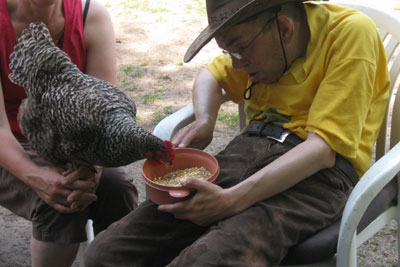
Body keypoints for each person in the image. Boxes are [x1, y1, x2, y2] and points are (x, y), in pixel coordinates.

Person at [84, 0, 390, 266]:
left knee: (209, 259)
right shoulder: (257, 45)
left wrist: (231, 201)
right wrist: (205, 119)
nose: (237, 63)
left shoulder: (351, 34)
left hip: (319, 177)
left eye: (241, 49)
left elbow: (321, 151)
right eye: (229, 52)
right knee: (106, 253)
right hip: (247, 152)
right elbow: (210, 75)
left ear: (284, 29)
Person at [0, 0, 138, 266]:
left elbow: (103, 113)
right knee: (61, 202)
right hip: (10, 143)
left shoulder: (90, 17)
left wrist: (91, 171)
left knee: (116, 188)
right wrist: (39, 177)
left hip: (72, 142)